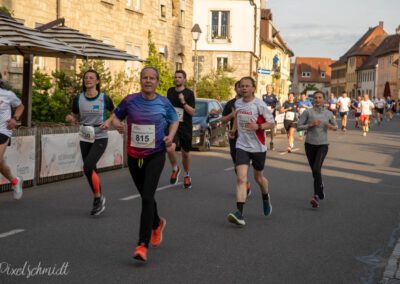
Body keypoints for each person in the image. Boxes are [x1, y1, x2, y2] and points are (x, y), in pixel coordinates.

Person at [108, 67, 178, 262]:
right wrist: (116, 124)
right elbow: (115, 116)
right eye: (145, 78)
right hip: (133, 156)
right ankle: (157, 223)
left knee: (147, 197)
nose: (148, 81)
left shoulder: (163, 102)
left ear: (157, 81)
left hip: (155, 154)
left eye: (152, 78)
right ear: (141, 80)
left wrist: (170, 136)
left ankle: (142, 244)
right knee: (145, 196)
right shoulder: (130, 100)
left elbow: (174, 121)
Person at [227, 76, 275, 226]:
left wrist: (259, 127)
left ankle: (266, 197)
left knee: (258, 178)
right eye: (242, 86)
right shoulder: (238, 103)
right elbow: (237, 117)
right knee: (241, 178)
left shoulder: (259, 105)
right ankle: (239, 213)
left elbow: (272, 123)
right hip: (242, 145)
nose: (244, 88)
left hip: (258, 147)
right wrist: (233, 130)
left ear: (253, 88)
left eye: (247, 86)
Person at [65, 70, 114, 216]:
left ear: (97, 81)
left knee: (88, 166)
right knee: (90, 170)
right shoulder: (78, 98)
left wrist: (108, 121)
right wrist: (70, 118)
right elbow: (73, 114)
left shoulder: (104, 98)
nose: (88, 80)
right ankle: (98, 197)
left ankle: (98, 198)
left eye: (91, 78)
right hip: (85, 136)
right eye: (86, 78)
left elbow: (116, 112)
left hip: (100, 136)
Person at [297, 91, 338, 209]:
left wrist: (331, 127)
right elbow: (298, 126)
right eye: (315, 98)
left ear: (324, 99)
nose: (318, 100)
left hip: (323, 145)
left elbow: (336, 126)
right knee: (315, 172)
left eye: (320, 98)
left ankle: (316, 196)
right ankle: (320, 187)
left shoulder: (328, 113)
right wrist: (310, 125)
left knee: (316, 168)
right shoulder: (307, 112)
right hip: (309, 144)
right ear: (313, 100)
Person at [166, 70, 195, 189]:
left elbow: (192, 112)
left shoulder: (189, 93)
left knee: (185, 154)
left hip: (185, 126)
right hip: (173, 125)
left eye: (180, 77)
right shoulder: (170, 91)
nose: (177, 79)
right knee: (169, 147)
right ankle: (175, 168)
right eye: (176, 77)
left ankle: (187, 175)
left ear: (184, 79)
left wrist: (183, 102)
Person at [221, 81, 251, 197]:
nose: (241, 89)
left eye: (243, 86)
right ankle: (245, 181)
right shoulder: (230, 104)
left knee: (243, 163)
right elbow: (223, 120)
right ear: (235, 89)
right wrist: (232, 115)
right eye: (239, 87)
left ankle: (243, 182)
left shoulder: (250, 103)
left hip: (247, 136)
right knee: (236, 164)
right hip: (235, 136)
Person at [0, 85, 24, 199]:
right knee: (0, 163)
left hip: (3, 131)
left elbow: (20, 106)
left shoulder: (7, 94)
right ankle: (15, 181)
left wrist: (15, 119)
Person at [262, 84, 278, 150]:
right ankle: (263, 142)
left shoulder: (274, 96)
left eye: (270, 88)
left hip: (271, 114)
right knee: (263, 127)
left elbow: (278, 105)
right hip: (264, 113)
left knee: (271, 128)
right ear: (266, 89)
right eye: (267, 88)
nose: (268, 89)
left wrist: (273, 109)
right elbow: (261, 104)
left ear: (271, 89)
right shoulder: (264, 96)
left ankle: (271, 141)